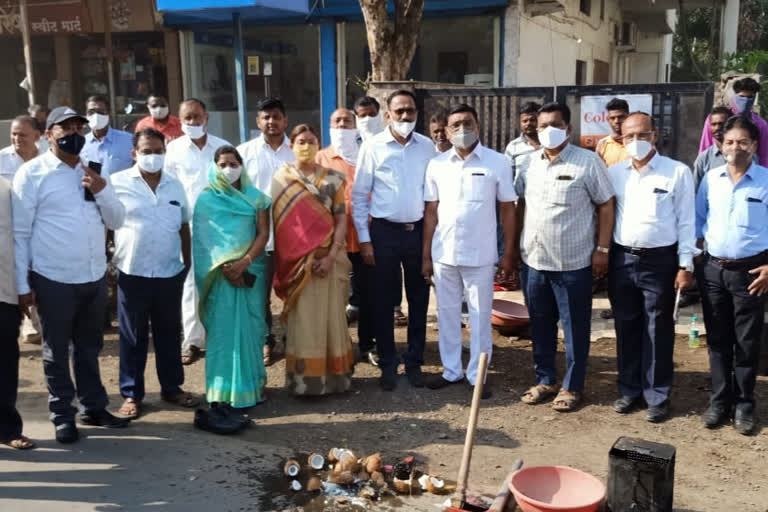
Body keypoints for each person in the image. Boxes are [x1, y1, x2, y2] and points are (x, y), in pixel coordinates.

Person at [12, 106, 129, 443]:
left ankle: (94, 407)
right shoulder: (32, 174)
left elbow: (117, 220)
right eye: (66, 128)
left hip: (91, 277)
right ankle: (63, 414)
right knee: (56, 351)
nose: (74, 133)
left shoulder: (91, 170)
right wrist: (23, 285)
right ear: (48, 135)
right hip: (52, 278)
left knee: (90, 348)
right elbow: (20, 234)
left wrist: (102, 189)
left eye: (80, 127)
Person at [515, 102, 614, 412]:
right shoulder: (529, 164)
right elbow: (520, 204)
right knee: (540, 325)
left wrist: (602, 249)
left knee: (575, 328)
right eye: (542, 126)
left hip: (573, 264)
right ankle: (546, 379)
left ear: (568, 129)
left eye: (554, 125)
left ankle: (572, 385)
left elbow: (607, 204)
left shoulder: (588, 162)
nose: (547, 130)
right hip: (535, 262)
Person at [423, 104, 518, 399]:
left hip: (480, 255)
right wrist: (425, 255)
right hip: (444, 254)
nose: (462, 129)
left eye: (468, 123)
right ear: (446, 131)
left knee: (479, 316)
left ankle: (478, 375)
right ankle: (451, 371)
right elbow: (430, 212)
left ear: (477, 126)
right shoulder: (437, 164)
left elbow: (508, 209)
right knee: (447, 314)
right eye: (456, 125)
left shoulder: (497, 162)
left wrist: (509, 254)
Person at [607, 112, 696, 423]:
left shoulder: (677, 172)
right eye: (629, 137)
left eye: (642, 135)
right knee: (626, 325)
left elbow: (687, 221)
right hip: (622, 259)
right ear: (620, 139)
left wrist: (685, 265)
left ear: (655, 135)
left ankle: (657, 395)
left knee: (658, 328)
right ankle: (629, 390)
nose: (636, 142)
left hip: (660, 261)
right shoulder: (615, 173)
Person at [110, 128, 199, 419]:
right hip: (132, 272)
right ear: (134, 153)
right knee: (132, 336)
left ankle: (172, 388)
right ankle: (131, 394)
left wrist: (185, 263)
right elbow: (105, 223)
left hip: (168, 272)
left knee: (169, 334)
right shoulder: (117, 183)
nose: (153, 156)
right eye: (147, 151)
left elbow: (184, 225)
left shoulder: (175, 185)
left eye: (158, 151)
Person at [352, 89, 436, 391]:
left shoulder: (427, 147)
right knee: (383, 302)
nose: (404, 116)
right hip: (383, 233)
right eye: (398, 111)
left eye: (410, 111)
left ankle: (414, 362)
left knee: (419, 300)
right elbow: (360, 196)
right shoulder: (373, 147)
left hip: (417, 234)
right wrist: (364, 240)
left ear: (416, 114)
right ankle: (388, 363)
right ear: (387, 115)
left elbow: (434, 197)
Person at [695, 116, 768, 435]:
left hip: (752, 273)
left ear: (754, 145)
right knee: (719, 341)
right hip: (713, 270)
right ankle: (719, 402)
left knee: (747, 343)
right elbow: (698, 221)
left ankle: (744, 405)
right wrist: (693, 262)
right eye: (729, 142)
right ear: (719, 145)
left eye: (742, 142)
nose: (735, 147)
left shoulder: (766, 181)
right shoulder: (711, 179)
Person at [272, 124, 355, 395]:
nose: (306, 145)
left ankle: (335, 378)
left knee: (333, 318)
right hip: (299, 265)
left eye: (311, 140)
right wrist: (301, 257)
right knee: (305, 321)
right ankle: (305, 382)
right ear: (292, 145)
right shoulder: (281, 179)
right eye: (300, 141)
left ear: (319, 145)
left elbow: (342, 219)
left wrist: (331, 256)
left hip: (329, 261)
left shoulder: (333, 178)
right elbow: (281, 226)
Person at [193, 145, 270, 425]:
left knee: (250, 328)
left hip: (250, 270)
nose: (229, 168)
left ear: (242, 165)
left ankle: (251, 387)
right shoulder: (206, 199)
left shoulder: (257, 199)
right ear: (215, 167)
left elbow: (263, 234)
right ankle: (221, 391)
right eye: (223, 164)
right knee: (224, 333)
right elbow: (202, 240)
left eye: (233, 163)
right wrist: (225, 266)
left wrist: (244, 262)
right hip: (219, 275)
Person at [165, 98, 229, 366]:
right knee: (191, 282)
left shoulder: (222, 148)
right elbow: (168, 187)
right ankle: (192, 341)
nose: (192, 122)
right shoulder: (173, 150)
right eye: (187, 118)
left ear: (207, 117)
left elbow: (233, 183)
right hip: (188, 224)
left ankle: (220, 336)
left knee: (221, 279)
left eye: (196, 117)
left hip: (221, 225)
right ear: (180, 121)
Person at [316, 108, 377, 365]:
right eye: (337, 121)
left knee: (368, 295)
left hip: (366, 239)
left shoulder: (367, 154)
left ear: (355, 125)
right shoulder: (321, 158)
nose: (342, 125)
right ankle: (340, 347)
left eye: (347, 121)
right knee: (337, 297)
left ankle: (368, 344)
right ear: (329, 125)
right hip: (334, 243)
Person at [237, 98, 294, 367]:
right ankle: (265, 341)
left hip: (293, 238)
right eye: (265, 117)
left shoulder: (297, 152)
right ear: (257, 122)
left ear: (285, 121)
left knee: (295, 291)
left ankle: (296, 340)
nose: (271, 122)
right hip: (257, 238)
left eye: (276, 116)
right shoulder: (244, 153)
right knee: (258, 296)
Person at [0, 116, 42, 345]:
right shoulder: (1, 160)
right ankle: (26, 324)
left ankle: (37, 324)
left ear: (37, 137)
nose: (17, 139)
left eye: (22, 135)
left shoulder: (47, 159)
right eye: (13, 134)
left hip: (40, 229)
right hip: (8, 231)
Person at [1, 175, 34, 450]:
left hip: (4, 291)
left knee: (5, 364)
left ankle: (8, 428)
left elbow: (21, 239)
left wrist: (22, 288)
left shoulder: (6, 189)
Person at [699, 77, 768, 166]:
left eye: (750, 97)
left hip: (747, 172)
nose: (745, 101)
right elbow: (705, 145)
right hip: (716, 168)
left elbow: (764, 155)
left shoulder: (760, 124)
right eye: (742, 97)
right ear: (734, 96)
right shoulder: (717, 119)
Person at [693, 107, 758, 190]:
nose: (717, 128)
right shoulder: (704, 159)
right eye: (713, 124)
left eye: (721, 124)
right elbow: (695, 190)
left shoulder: (748, 155)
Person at [81, 95, 134, 178]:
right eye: (91, 112)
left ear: (109, 113)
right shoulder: (80, 143)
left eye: (101, 111)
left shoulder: (128, 140)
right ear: (86, 115)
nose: (96, 116)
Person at [595, 98, 631, 168]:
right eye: (612, 118)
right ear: (608, 120)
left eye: (620, 117)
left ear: (628, 117)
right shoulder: (602, 144)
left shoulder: (637, 142)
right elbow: (599, 172)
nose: (616, 121)